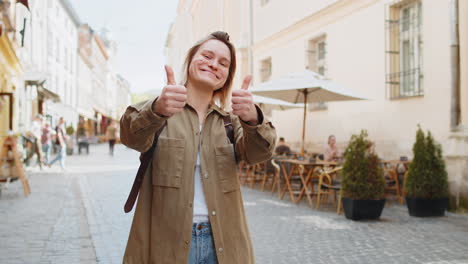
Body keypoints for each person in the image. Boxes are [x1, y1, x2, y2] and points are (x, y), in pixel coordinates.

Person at [120, 31, 276, 264]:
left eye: (224, 63)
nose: (214, 64)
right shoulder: (160, 109)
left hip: (223, 244)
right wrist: (157, 110)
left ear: (226, 76)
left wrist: (253, 119)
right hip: (167, 245)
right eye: (207, 55)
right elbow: (130, 136)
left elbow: (259, 153)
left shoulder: (231, 123)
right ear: (191, 59)